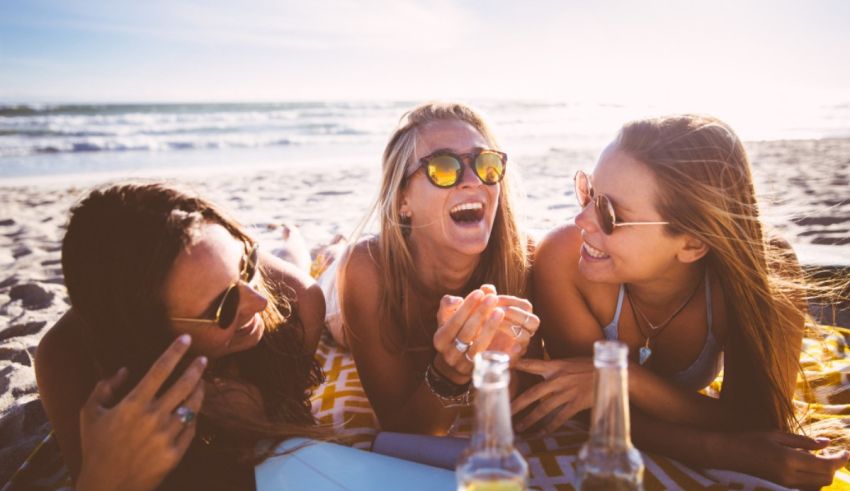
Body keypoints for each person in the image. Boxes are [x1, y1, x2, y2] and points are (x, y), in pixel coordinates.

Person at [511, 114, 849, 488]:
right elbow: (590, 411)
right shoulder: (562, 259)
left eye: (610, 213)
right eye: (588, 193)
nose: (581, 219)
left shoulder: (763, 271)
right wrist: (717, 449)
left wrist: (625, 379)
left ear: (691, 244)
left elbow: (757, 419)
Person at [35, 183, 327, 490]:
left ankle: (286, 239)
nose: (259, 303)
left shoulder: (299, 304)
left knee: (291, 258)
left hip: (265, 271)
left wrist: (261, 418)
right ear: (149, 338)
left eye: (246, 264)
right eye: (223, 307)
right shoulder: (66, 359)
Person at [337, 102, 540, 434]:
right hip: (342, 297)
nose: (473, 181)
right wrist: (450, 372)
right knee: (336, 315)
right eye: (444, 168)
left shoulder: (522, 257)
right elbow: (401, 430)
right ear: (403, 202)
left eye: (486, 164)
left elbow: (525, 412)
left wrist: (502, 367)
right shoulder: (366, 270)